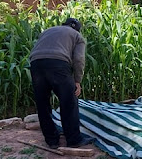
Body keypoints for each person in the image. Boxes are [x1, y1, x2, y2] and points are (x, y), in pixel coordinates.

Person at [29, 18, 95, 149]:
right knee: (69, 101)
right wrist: (77, 81)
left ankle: (51, 140)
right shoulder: (77, 36)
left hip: (35, 63)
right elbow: (79, 59)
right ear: (77, 28)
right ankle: (74, 139)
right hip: (58, 64)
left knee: (42, 104)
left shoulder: (47, 31)